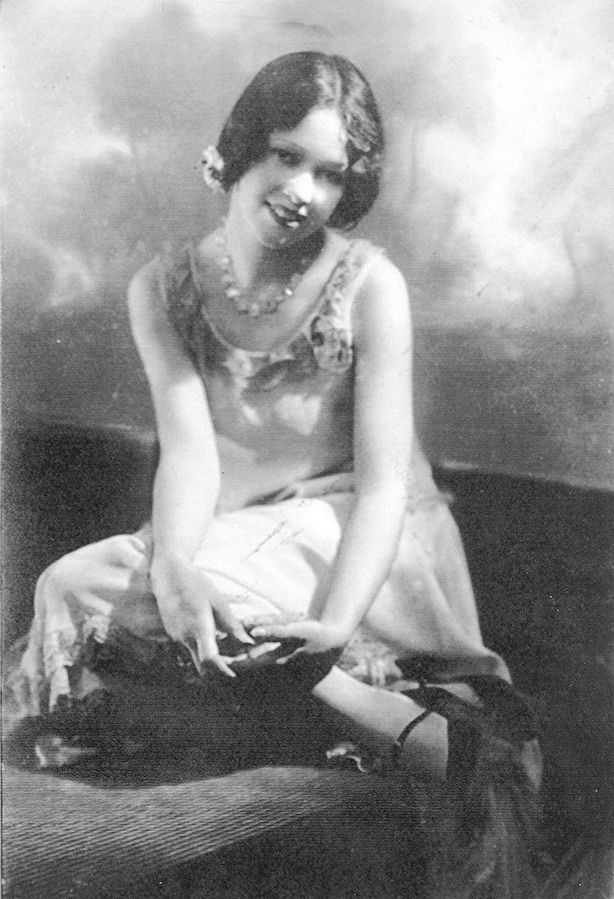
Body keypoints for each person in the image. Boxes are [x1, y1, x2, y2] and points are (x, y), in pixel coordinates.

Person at [9, 53, 533, 790]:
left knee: (138, 593)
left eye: (330, 174)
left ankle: (366, 704)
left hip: (363, 538)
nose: (303, 193)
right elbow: (190, 455)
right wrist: (173, 565)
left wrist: (337, 626)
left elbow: (384, 489)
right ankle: (350, 714)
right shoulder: (160, 288)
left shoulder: (370, 286)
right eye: (287, 157)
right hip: (244, 529)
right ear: (241, 148)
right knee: (75, 586)